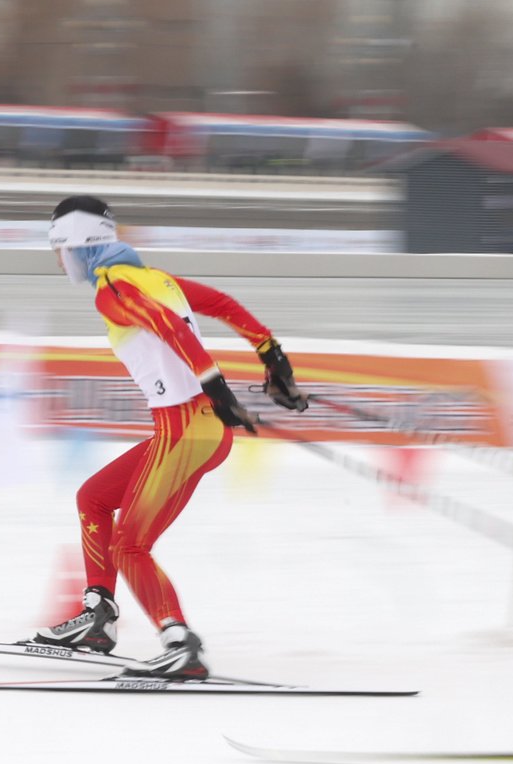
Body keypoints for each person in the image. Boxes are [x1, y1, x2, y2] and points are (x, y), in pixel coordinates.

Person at [23, 195, 308, 679]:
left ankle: (179, 642)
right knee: (93, 497)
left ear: (76, 247)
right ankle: (98, 617)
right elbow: (222, 305)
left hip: (186, 429)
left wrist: (214, 385)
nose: (57, 260)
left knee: (130, 545)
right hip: (190, 430)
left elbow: (168, 325)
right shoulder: (153, 277)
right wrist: (271, 354)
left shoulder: (112, 288)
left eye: (58, 249)